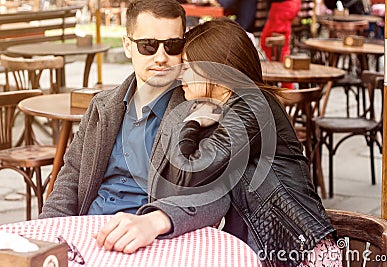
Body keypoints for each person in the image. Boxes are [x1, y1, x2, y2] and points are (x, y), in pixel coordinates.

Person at [39, 0, 230, 254]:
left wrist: (156, 220)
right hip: (89, 234)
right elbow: (70, 177)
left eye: (172, 46)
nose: (161, 58)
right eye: (148, 46)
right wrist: (46, 237)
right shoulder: (102, 106)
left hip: (156, 242)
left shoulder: (199, 109)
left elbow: (217, 195)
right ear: (127, 46)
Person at [155, 18, 342, 266]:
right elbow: (176, 187)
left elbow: (188, 174)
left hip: (301, 253)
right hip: (263, 251)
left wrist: (193, 123)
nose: (180, 76)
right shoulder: (223, 110)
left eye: (188, 67)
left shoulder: (253, 107)